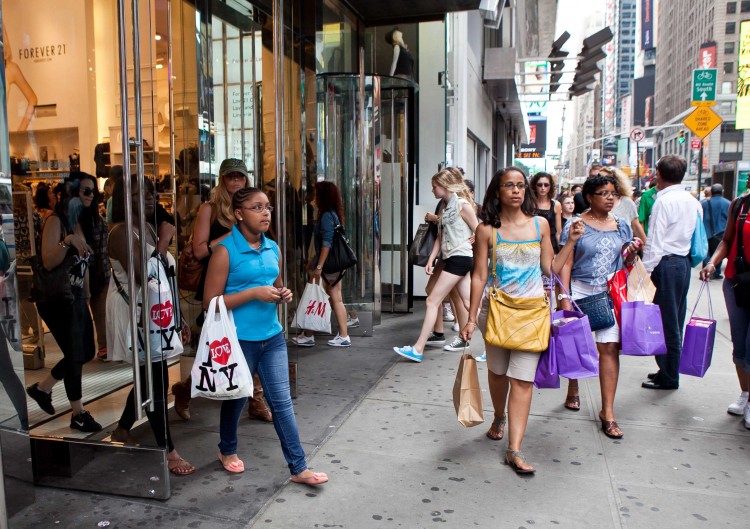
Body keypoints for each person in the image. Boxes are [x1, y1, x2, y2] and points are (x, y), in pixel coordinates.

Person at [204, 187, 328, 486]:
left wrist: (282, 294)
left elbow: (277, 285)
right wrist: (253, 293)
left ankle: (298, 468)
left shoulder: (273, 247)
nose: (266, 213)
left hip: (272, 337)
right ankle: (227, 449)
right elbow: (211, 302)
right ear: (238, 213)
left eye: (268, 207)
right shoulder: (224, 251)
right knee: (235, 398)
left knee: (281, 402)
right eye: (256, 207)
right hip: (237, 341)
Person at [458, 166, 566, 474]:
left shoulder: (540, 226)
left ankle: (514, 449)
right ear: (498, 192)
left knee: (522, 380)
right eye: (509, 185)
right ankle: (498, 416)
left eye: (521, 185)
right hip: (495, 312)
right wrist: (468, 318)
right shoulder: (486, 230)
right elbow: (478, 275)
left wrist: (569, 242)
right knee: (498, 374)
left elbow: (550, 268)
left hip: (532, 312)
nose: (517, 190)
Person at [106, 177, 195, 475]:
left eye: (149, 191)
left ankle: (121, 429)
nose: (147, 196)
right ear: (123, 198)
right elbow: (143, 276)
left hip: (156, 312)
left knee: (150, 375)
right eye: (137, 192)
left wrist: (178, 318)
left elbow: (165, 280)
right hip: (136, 314)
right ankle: (168, 451)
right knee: (154, 380)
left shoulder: (145, 226)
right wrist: (163, 242)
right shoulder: (120, 232)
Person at [171, 158, 271, 423]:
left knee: (251, 343)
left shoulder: (251, 207)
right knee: (218, 349)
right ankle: (185, 390)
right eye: (231, 177)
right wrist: (234, 234)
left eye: (241, 177)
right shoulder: (210, 209)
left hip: (246, 282)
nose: (236, 182)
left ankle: (256, 400)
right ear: (222, 180)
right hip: (219, 286)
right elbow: (200, 250)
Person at [558, 174, 641, 438]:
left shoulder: (622, 225)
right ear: (590, 197)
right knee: (577, 346)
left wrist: (633, 252)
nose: (610, 198)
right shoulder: (575, 224)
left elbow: (626, 258)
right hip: (580, 291)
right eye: (604, 193)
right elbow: (567, 263)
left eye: (613, 194)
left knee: (609, 349)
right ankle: (573, 386)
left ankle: (608, 412)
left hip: (610, 293)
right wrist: (564, 297)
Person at [25, 173, 101, 432]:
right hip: (56, 298)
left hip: (76, 296)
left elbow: (85, 263)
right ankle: (78, 413)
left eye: (93, 192)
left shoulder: (81, 223)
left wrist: (88, 296)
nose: (90, 196)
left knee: (86, 351)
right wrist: (67, 241)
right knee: (76, 354)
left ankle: (43, 388)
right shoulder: (56, 221)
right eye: (85, 191)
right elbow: (48, 261)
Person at [393, 168, 478, 361]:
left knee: (432, 300)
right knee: (469, 303)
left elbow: (479, 229)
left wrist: (473, 237)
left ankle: (418, 348)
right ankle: (495, 342)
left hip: (460, 258)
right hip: (453, 258)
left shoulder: (462, 205)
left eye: (434, 186)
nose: (432, 190)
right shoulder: (447, 206)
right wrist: (431, 259)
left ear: (445, 185)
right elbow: (440, 236)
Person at [642, 155, 701, 390]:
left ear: (659, 174)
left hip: (666, 264)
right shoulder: (691, 200)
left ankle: (669, 376)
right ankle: (666, 369)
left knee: (668, 323)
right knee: (674, 318)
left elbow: (655, 242)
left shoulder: (663, 202)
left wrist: (644, 271)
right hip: (682, 263)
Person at [700, 193, 750, 428]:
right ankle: (745, 394)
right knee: (739, 345)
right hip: (737, 282)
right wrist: (712, 262)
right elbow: (727, 240)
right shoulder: (740, 204)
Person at [291, 181, 354, 347]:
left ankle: (310, 334)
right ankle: (341, 335)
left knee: (314, 297)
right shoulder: (334, 214)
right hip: (334, 266)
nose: (313, 198)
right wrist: (313, 261)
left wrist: (318, 267)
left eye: (317, 194)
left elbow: (327, 244)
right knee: (334, 299)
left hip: (327, 267)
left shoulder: (326, 216)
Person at [602, 166, 647, 243]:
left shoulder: (627, 203)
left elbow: (636, 228)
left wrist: (646, 251)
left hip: (624, 252)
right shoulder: (593, 201)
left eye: (605, 179)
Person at [702, 184, 731, 279]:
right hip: (721, 232)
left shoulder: (704, 203)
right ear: (721, 192)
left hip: (706, 232)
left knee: (707, 253)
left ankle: (707, 271)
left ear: (711, 192)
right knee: (718, 252)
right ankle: (716, 272)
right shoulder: (728, 203)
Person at [530, 172, 561, 252]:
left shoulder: (556, 205)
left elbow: (558, 232)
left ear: (550, 187)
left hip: (551, 245)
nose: (543, 188)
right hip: (532, 244)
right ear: (535, 186)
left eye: (546, 185)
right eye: (539, 185)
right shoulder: (528, 204)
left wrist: (560, 251)